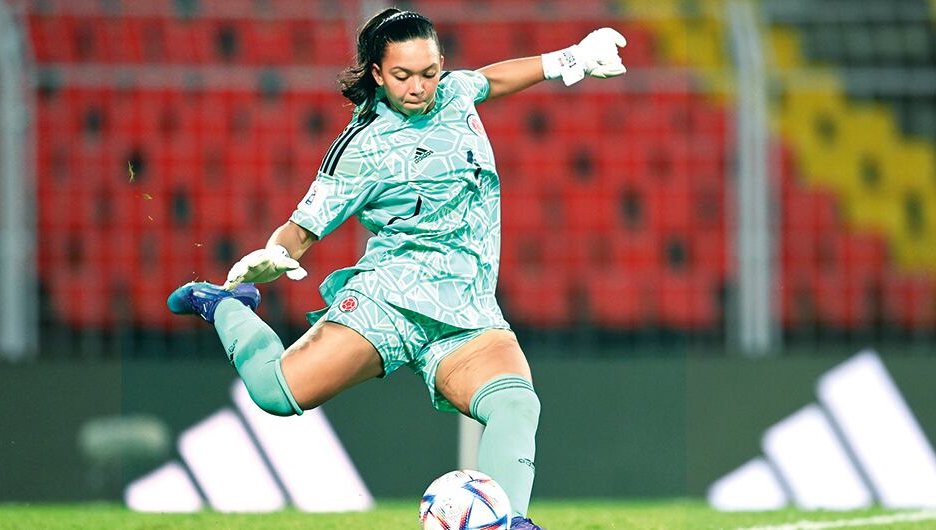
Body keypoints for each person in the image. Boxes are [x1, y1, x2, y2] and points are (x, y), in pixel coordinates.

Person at [168, 8, 626, 529]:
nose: (418, 87)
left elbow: (492, 79)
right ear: (377, 74)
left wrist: (572, 59)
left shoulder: (453, 95)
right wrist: (275, 255)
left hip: (467, 310)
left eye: (428, 72)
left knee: (517, 405)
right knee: (276, 393)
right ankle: (226, 306)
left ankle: (508, 524)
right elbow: (300, 230)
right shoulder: (361, 148)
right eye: (403, 76)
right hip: (390, 302)